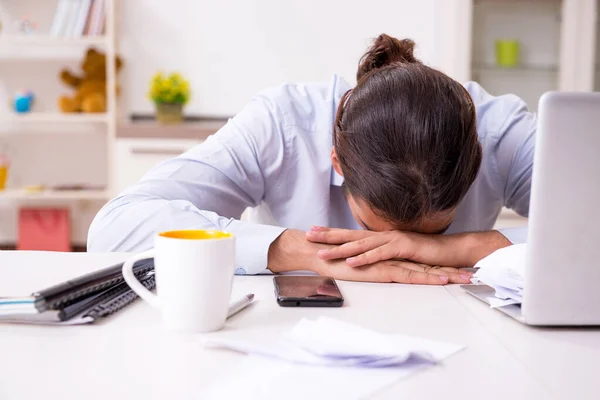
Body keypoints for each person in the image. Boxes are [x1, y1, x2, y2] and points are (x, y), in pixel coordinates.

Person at [88, 34, 534, 285]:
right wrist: (290, 249)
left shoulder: (500, 131)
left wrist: (461, 247)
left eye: (430, 231)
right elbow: (114, 228)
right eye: (376, 233)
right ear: (337, 162)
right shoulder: (282, 125)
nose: (399, 253)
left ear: (477, 158)